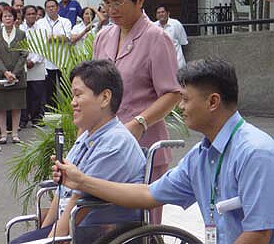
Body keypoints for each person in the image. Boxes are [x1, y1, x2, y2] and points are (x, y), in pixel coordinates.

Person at [54, 58, 274, 244]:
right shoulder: (200, 156)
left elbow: (258, 234)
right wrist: (82, 181)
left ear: (213, 102)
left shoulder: (255, 153)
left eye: (186, 99)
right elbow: (147, 194)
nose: (180, 107)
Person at [11, 59, 146, 244]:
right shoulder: (89, 135)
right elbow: (63, 191)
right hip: (75, 225)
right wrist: (44, 232)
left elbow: (79, 201)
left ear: (105, 98)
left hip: (96, 231)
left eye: (78, 95)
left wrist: (52, 240)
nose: (73, 103)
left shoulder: (115, 143)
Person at [93, 0, 181, 224]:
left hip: (144, 149)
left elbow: (173, 93)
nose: (112, 10)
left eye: (118, 2)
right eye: (107, 3)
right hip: (107, 148)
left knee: (142, 226)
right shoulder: (102, 37)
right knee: (104, 225)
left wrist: (140, 122)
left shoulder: (156, 38)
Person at [0, 6, 27, 144]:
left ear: (15, 18)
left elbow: (24, 54)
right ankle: (4, 133)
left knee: (16, 105)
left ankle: (15, 133)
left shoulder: (21, 34)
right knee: (1, 105)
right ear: (1, 19)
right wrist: (5, 72)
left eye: (10, 16)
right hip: (1, 74)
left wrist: (14, 73)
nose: (7, 18)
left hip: (17, 75)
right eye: (5, 16)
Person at [36, 0, 71, 109]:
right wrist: (58, 37)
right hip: (47, 61)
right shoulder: (40, 23)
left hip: (63, 61)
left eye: (53, 6)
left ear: (58, 7)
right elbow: (40, 40)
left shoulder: (65, 22)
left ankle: (66, 113)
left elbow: (67, 38)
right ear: (45, 9)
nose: (51, 9)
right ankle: (52, 115)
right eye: (48, 7)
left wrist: (52, 38)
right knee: (49, 91)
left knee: (65, 90)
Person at [19, 5, 47, 128]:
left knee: (37, 94)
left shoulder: (42, 29)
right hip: (22, 65)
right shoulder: (19, 29)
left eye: (33, 14)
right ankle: (23, 119)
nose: (31, 16)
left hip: (37, 65)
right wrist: (24, 61)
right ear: (24, 15)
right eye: (28, 14)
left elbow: (44, 48)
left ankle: (37, 119)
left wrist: (33, 61)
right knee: (24, 94)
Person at [154, 4, 188, 70]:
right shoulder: (153, 27)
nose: (161, 14)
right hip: (161, 65)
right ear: (156, 15)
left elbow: (183, 42)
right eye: (158, 13)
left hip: (177, 63)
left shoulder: (176, 24)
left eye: (163, 12)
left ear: (168, 13)